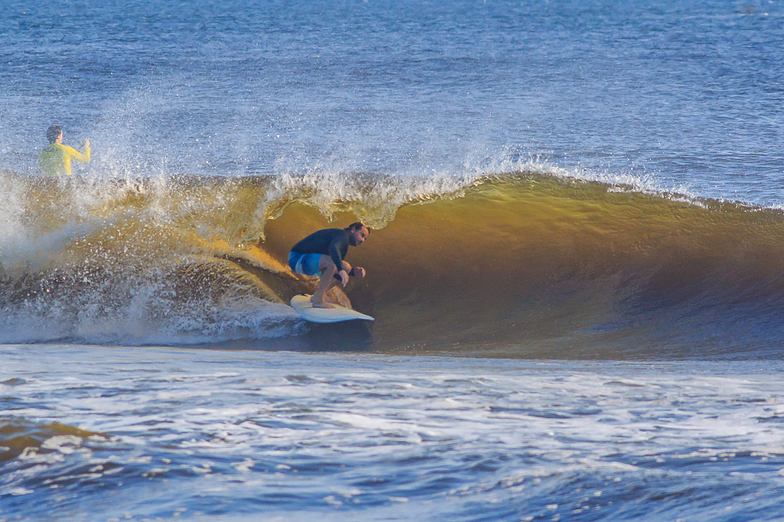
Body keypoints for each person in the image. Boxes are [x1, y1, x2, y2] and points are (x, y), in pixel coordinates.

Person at [289, 222, 369, 308]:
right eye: (362, 235)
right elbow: (333, 247)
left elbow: (337, 271)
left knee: (346, 268)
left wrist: (352, 272)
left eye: (365, 238)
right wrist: (340, 270)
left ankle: (317, 296)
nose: (362, 240)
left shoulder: (343, 243)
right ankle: (318, 301)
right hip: (297, 258)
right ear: (353, 230)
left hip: (308, 262)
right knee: (333, 264)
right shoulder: (342, 235)